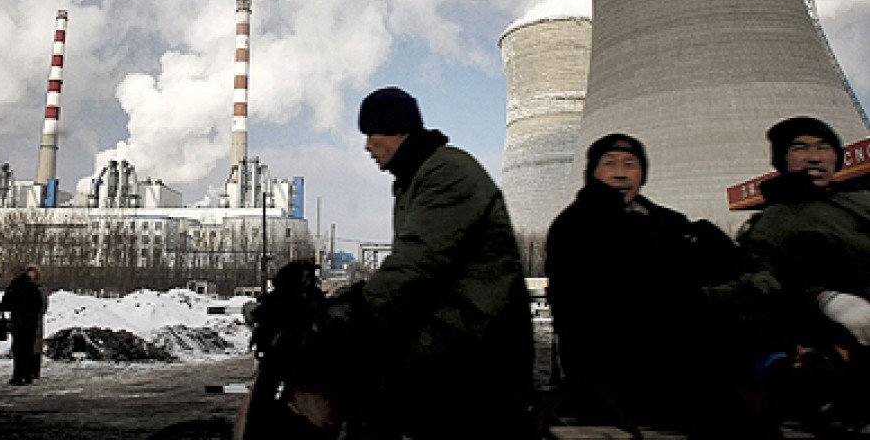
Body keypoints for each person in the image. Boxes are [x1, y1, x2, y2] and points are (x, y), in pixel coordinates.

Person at [545, 134, 775, 437]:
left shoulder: (669, 222)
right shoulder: (575, 226)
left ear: (643, 174)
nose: (620, 173)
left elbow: (722, 273)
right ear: (592, 172)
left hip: (686, 357)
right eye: (609, 164)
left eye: (630, 164)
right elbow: (594, 312)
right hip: (619, 369)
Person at [350, 86, 534, 438]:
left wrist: (354, 310)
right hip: (454, 339)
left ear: (398, 130)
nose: (367, 146)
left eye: (372, 134)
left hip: (477, 353)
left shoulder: (446, 173)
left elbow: (417, 263)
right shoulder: (414, 179)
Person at [737, 116, 870, 432]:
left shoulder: (861, 201)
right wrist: (825, 300)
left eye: (823, 147)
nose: (815, 157)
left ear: (837, 157)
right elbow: (764, 288)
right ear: (782, 160)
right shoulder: (772, 223)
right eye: (800, 148)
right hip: (837, 331)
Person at [2, 264, 45, 386]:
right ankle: (27, 375)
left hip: (18, 322)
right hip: (30, 323)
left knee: (18, 350)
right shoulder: (33, 287)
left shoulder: (14, 286)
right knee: (28, 349)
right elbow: (38, 305)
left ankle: (18, 375)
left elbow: (6, 303)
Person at [28, 265, 49, 379]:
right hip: (27, 320)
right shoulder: (25, 287)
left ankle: (35, 371)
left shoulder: (40, 288)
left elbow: (44, 305)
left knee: (36, 346)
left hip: (36, 320)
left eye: (32, 272)